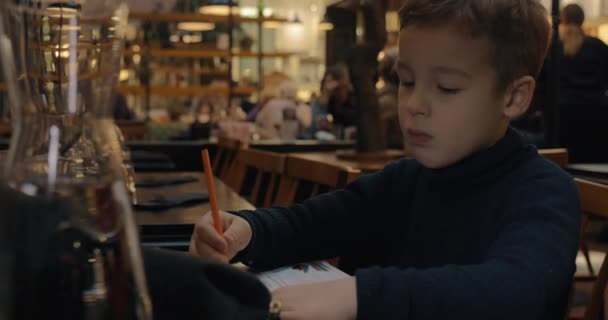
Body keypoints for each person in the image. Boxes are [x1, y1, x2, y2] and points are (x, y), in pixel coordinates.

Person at [189, 1, 580, 319]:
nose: (413, 105)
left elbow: (516, 290)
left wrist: (357, 295)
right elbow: (310, 223)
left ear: (514, 97)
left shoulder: (543, 192)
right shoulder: (405, 180)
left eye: (446, 87)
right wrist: (247, 231)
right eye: (406, 81)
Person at [556, 3, 608, 162]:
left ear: (561, 21)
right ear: (582, 20)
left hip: (563, 117)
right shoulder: (599, 46)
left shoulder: (555, 48)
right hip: (599, 115)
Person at [304, 65, 358, 139]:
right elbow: (313, 126)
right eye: (327, 81)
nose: (329, 86)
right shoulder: (318, 104)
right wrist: (326, 95)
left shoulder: (350, 102)